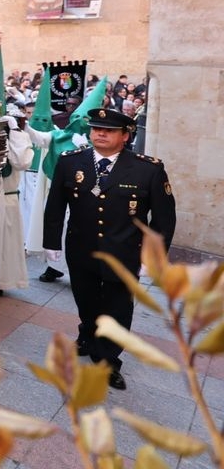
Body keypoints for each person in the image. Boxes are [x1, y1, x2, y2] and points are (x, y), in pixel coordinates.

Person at [42, 107, 176, 391]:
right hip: (81, 248)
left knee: (118, 307)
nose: (100, 134)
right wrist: (50, 242)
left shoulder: (148, 168)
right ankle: (88, 336)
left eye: (109, 130)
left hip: (125, 251)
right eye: (96, 129)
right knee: (86, 299)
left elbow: (164, 218)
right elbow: (55, 205)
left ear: (126, 136)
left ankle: (109, 360)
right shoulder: (71, 162)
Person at [0, 107, 33, 303]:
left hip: (8, 198)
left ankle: (0, 283)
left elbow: (21, 161)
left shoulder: (19, 139)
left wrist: (15, 133)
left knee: (5, 246)